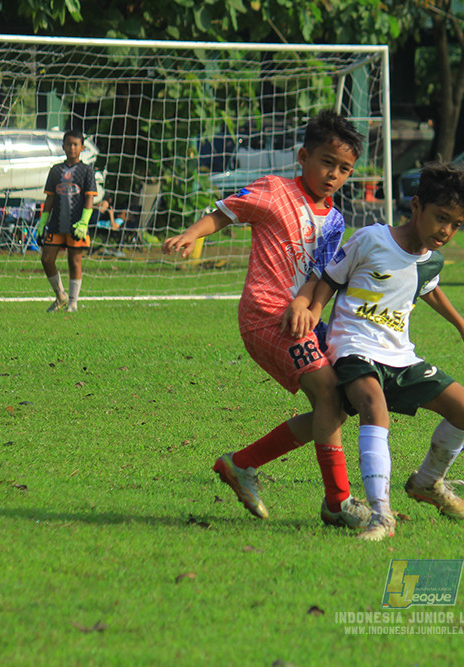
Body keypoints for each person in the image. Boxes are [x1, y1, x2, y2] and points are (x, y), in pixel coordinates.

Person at [162, 110, 371, 528]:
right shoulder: (274, 190)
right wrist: (191, 233)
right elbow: (226, 212)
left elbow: (320, 276)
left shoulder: (334, 220)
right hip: (265, 314)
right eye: (327, 162)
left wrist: (309, 309)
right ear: (303, 156)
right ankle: (338, 502)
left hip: (300, 319)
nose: (334, 174)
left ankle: (242, 464)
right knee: (330, 394)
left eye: (344, 169)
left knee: (337, 404)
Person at [298, 162, 464, 541]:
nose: (446, 231)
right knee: (375, 408)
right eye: (441, 218)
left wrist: (463, 326)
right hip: (354, 346)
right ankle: (381, 515)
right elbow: (329, 278)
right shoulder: (371, 238)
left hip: (400, 355)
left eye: (455, 225)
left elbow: (429, 286)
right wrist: (314, 311)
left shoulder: (431, 258)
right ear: (417, 206)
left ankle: (427, 482)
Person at [36, 129, 97, 313]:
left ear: (82, 148)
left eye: (75, 144)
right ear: (63, 146)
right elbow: (50, 199)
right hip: (56, 224)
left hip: (76, 225)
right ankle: (60, 295)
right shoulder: (56, 170)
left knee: (74, 261)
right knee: (46, 258)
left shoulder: (86, 171)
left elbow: (89, 198)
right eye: (68, 144)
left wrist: (84, 222)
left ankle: (73, 303)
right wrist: (42, 222)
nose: (72, 148)